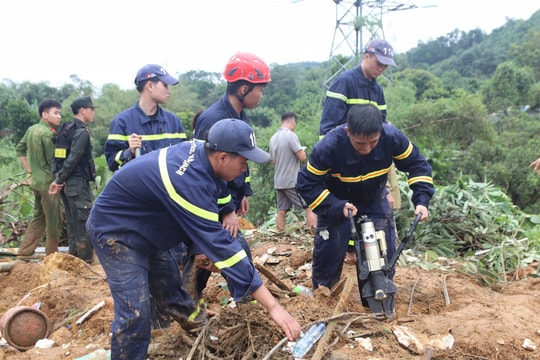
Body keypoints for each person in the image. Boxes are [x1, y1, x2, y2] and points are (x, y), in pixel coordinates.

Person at [86, 119, 301, 359]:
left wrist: (226, 212)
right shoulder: (188, 181)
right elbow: (223, 248)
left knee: (170, 289)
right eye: (243, 162)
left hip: (147, 229)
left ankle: (204, 333)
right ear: (222, 157)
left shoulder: (203, 151)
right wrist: (273, 306)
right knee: (135, 313)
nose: (244, 169)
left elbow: (217, 192)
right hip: (117, 233)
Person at [296, 104, 434, 298]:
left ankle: (379, 295)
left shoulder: (392, 137)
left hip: (374, 199)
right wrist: (335, 206)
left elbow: (418, 165)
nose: (367, 148)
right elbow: (306, 184)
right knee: (329, 252)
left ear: (381, 132)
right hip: (337, 200)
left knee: (383, 251)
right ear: (348, 131)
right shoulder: (329, 146)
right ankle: (323, 298)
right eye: (360, 144)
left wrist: (422, 200)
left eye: (373, 142)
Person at [186, 51, 271, 304]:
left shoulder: (239, 115)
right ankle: (245, 309)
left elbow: (241, 158)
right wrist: (226, 210)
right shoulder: (212, 120)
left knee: (212, 257)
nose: (261, 95)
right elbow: (203, 170)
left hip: (226, 200)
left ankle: (191, 303)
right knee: (223, 255)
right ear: (244, 88)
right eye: (260, 89)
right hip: (209, 202)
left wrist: (242, 192)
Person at [319, 38, 400, 263]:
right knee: (341, 216)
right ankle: (341, 256)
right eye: (378, 63)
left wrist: (385, 186)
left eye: (385, 66)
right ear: (366, 56)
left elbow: (381, 134)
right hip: (343, 167)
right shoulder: (344, 84)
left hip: (371, 169)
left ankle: (364, 256)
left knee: (374, 216)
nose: (381, 69)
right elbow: (327, 130)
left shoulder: (378, 91)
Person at [104, 64, 187, 171]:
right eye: (165, 85)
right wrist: (130, 152)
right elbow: (112, 163)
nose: (168, 91)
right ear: (150, 86)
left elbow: (184, 158)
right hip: (137, 187)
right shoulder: (122, 122)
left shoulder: (174, 122)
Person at [49, 96, 97, 263]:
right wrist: (60, 179)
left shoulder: (66, 128)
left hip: (67, 183)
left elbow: (58, 156)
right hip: (76, 183)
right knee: (83, 223)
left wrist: (58, 178)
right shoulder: (81, 132)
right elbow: (73, 158)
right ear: (82, 110)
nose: (93, 112)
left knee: (73, 223)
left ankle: (73, 259)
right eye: (91, 109)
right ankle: (85, 261)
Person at [15, 99, 63, 256]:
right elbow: (53, 161)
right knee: (53, 221)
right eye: (55, 113)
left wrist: (29, 170)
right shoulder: (48, 134)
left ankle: (24, 251)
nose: (59, 117)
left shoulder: (31, 130)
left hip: (35, 182)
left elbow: (20, 149)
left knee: (39, 217)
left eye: (59, 114)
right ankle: (52, 256)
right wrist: (60, 179)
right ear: (44, 114)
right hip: (49, 184)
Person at [269, 112, 317, 230]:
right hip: (292, 181)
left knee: (281, 211)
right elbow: (302, 157)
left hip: (279, 181)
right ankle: (314, 234)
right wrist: (302, 151)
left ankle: (280, 235)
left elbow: (273, 162)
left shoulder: (273, 138)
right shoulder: (290, 135)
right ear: (292, 122)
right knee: (309, 206)